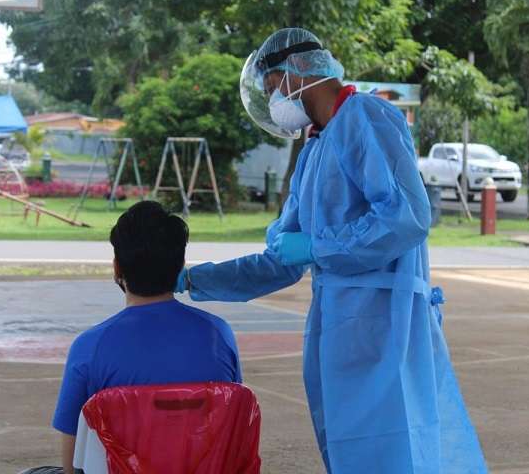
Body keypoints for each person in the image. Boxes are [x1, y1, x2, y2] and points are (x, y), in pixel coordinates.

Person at [177, 28, 487, 473]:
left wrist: (319, 246)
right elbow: (282, 260)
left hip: (385, 323)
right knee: (350, 452)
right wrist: (195, 279)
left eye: (272, 89)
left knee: (395, 449)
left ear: (297, 74)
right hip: (338, 326)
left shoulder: (366, 117)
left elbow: (407, 216)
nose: (274, 104)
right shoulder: (315, 150)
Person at [23, 201, 241, 474]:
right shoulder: (219, 335)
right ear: (180, 269)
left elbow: (72, 464)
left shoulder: (89, 347)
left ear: (117, 269)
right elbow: (230, 416)